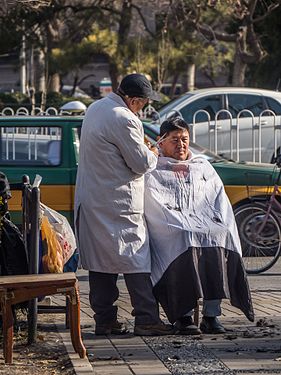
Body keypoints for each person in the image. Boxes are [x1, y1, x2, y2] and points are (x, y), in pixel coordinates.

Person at [74, 73, 174, 336]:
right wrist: (152, 152)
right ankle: (146, 318)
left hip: (94, 198)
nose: (144, 107)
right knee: (135, 259)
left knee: (101, 262)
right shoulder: (124, 118)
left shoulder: (97, 107)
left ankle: (105, 320)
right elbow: (140, 163)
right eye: (142, 103)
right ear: (133, 100)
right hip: (118, 202)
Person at [144, 117, 254, 335]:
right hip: (170, 225)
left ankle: (211, 315)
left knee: (221, 235)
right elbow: (153, 204)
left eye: (184, 139)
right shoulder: (152, 169)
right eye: (174, 140)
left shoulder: (202, 166)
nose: (181, 145)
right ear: (161, 142)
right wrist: (180, 221)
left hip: (204, 221)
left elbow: (218, 199)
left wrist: (217, 222)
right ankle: (183, 316)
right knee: (185, 238)